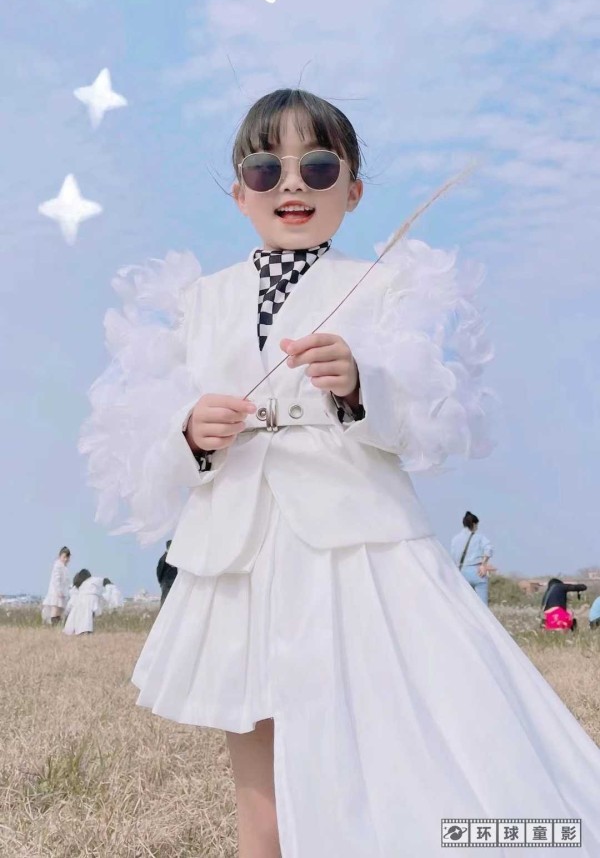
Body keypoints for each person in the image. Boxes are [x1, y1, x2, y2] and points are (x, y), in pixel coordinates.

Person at [79, 89, 600, 857]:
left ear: (352, 191)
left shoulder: (383, 285)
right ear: (240, 193)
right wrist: (187, 433)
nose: (292, 183)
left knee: (375, 753)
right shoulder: (201, 300)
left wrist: (361, 385)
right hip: (238, 558)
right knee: (259, 787)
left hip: (358, 547)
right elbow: (140, 443)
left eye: (318, 167)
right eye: (266, 170)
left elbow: (429, 423)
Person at [450, 510, 494, 605]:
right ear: (474, 524)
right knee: (482, 606)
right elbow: (489, 548)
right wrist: (483, 565)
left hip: (461, 573)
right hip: (477, 572)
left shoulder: (455, 539)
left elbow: (453, 558)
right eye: (477, 525)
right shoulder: (479, 537)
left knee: (463, 604)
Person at [63, 569, 105, 636]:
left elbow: (69, 606)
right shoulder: (91, 586)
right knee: (87, 621)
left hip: (77, 617)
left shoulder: (77, 591)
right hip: (90, 605)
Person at [41, 546, 71, 625]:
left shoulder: (64, 567)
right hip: (56, 594)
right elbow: (56, 580)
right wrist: (59, 591)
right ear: (60, 556)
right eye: (64, 557)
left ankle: (56, 628)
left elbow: (66, 582)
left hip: (62, 594)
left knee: (59, 613)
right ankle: (53, 628)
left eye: (67, 557)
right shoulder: (57, 566)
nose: (66, 559)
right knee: (55, 611)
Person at [156, 541, 178, 607]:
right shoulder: (164, 558)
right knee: (165, 600)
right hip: (166, 583)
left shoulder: (174, 558)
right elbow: (159, 571)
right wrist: (162, 581)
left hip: (173, 582)